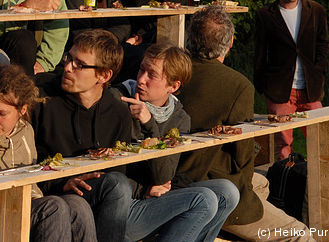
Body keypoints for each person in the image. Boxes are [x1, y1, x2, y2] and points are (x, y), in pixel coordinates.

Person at [33, 30, 219, 242]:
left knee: (223, 194)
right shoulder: (46, 101)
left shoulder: (120, 112)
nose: (67, 67)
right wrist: (60, 182)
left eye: (80, 64)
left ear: (104, 76)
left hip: (118, 198)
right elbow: (31, 159)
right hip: (78, 194)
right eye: (69, 59)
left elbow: (151, 173)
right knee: (119, 187)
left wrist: (150, 125)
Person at [176, 6, 316, 242]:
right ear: (229, 43)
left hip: (178, 173)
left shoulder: (171, 69)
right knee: (300, 235)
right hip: (207, 184)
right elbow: (243, 158)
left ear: (191, 38)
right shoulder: (237, 85)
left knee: (262, 183)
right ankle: (231, 224)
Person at [0, 64, 97, 242]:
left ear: (22, 110)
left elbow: (31, 188)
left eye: (2, 113)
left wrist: (27, 202)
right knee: (52, 207)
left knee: (77, 206)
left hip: (9, 215)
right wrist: (13, 205)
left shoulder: (25, 131)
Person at [114, 42, 240, 242]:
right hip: (122, 206)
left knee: (227, 192)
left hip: (152, 198)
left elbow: (163, 175)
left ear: (173, 86)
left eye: (152, 75)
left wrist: (149, 125)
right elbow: (107, 169)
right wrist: (143, 189)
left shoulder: (179, 118)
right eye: (141, 69)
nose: (141, 79)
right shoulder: (119, 100)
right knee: (204, 200)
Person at [254, 0, 328, 160]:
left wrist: (319, 70)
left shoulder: (316, 10)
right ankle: (285, 187)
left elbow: (323, 44)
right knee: (282, 145)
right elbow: (260, 52)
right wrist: (263, 86)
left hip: (310, 90)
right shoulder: (265, 15)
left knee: (321, 141)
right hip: (280, 91)